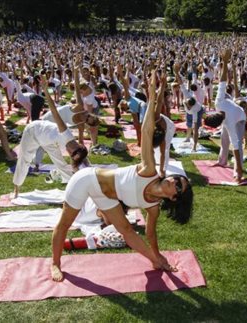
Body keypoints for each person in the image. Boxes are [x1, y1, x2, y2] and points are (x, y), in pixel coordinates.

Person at [50, 71, 194, 282]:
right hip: (87, 180)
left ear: (174, 198)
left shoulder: (153, 208)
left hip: (105, 198)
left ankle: (153, 261)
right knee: (64, 223)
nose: (175, 181)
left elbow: (151, 235)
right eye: (178, 179)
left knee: (127, 229)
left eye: (179, 187)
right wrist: (153, 97)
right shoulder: (149, 171)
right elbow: (146, 132)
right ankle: (55, 262)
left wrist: (157, 255)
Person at [13, 76, 88, 197]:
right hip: (33, 132)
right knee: (24, 159)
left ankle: (76, 187)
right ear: (74, 150)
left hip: (49, 142)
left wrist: (88, 173)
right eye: (71, 154)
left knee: (62, 165)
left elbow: (83, 160)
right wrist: (46, 90)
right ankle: (16, 188)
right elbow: (53, 109)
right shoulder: (65, 132)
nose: (68, 154)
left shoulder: (78, 150)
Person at [204, 49, 247, 183]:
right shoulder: (218, 103)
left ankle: (237, 169)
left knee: (237, 145)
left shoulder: (230, 123)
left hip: (240, 118)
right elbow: (222, 82)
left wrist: (239, 171)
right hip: (232, 116)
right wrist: (224, 61)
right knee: (224, 141)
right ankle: (222, 161)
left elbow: (236, 145)